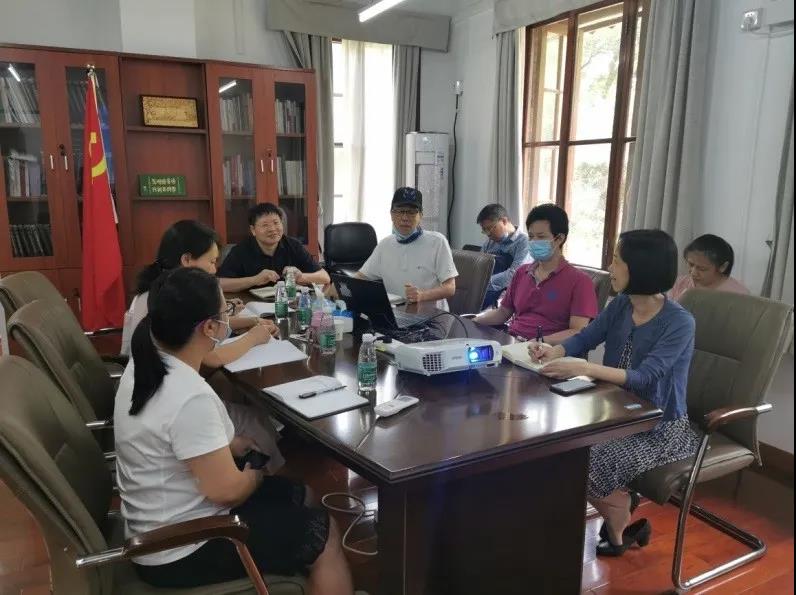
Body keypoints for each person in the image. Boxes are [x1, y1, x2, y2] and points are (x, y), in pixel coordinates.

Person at [115, 268, 353, 593]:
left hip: (168, 516)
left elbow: (174, 438)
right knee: (325, 534)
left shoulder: (147, 361)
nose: (229, 317)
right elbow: (228, 491)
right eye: (225, 310)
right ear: (209, 328)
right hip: (181, 546)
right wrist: (255, 475)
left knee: (304, 495)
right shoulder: (187, 395)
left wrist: (229, 446)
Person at [531, 229, 700, 556]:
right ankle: (618, 512)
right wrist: (556, 351)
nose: (610, 267)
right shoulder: (621, 304)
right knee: (555, 449)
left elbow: (646, 378)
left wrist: (585, 368)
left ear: (642, 267)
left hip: (658, 427)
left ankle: (618, 511)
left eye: (617, 261)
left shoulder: (679, 322)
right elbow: (587, 336)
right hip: (613, 412)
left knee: (582, 465)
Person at [120, 220, 284, 473]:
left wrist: (247, 321)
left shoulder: (163, 288)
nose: (214, 269)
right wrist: (253, 337)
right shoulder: (168, 295)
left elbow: (203, 325)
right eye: (211, 261)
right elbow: (210, 357)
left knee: (230, 388)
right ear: (186, 260)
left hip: (149, 389)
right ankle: (270, 475)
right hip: (161, 397)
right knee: (253, 416)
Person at [473, 204, 597, 344]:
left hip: (546, 351)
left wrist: (538, 342)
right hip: (512, 343)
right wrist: (473, 320)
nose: (533, 242)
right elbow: (502, 313)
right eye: (531, 236)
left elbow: (578, 331)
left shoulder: (580, 281)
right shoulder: (521, 273)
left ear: (559, 239)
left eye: (541, 236)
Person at [356, 187, 458, 310]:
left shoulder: (437, 242)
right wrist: (338, 287)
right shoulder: (385, 245)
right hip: (396, 315)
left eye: (411, 212)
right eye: (399, 211)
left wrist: (422, 295)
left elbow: (450, 287)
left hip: (432, 316)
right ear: (391, 215)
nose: (405, 218)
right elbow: (361, 277)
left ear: (420, 216)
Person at [218, 203, 330, 293]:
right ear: (253, 230)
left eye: (276, 223)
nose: (272, 229)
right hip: (251, 306)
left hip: (289, 303)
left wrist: (300, 277)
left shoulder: (294, 246)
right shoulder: (241, 251)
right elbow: (220, 284)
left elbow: (325, 277)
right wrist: (254, 280)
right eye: (265, 225)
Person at [476, 203, 531, 308]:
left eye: (490, 228)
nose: (488, 234)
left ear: (504, 221)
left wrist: (484, 283)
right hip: (484, 292)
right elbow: (479, 267)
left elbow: (515, 274)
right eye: (485, 230)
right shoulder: (490, 242)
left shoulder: (524, 242)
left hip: (509, 297)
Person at [669, 234, 749, 302]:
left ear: (723, 267)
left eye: (702, 269)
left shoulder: (738, 294)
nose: (693, 272)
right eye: (691, 264)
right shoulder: (679, 283)